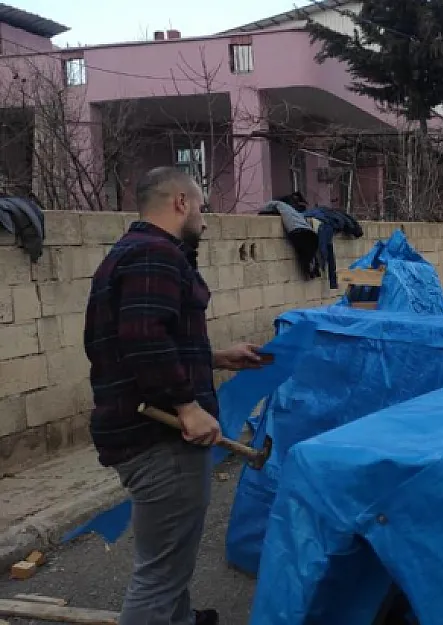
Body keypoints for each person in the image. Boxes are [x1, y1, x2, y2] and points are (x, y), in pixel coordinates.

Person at [85, 167, 268, 625]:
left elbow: (151, 338)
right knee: (161, 571)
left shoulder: (134, 252)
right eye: (201, 207)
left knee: (174, 552)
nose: (204, 222)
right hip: (158, 439)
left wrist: (218, 357)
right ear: (181, 203)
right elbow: (144, 339)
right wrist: (187, 407)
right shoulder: (155, 254)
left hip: (144, 432)